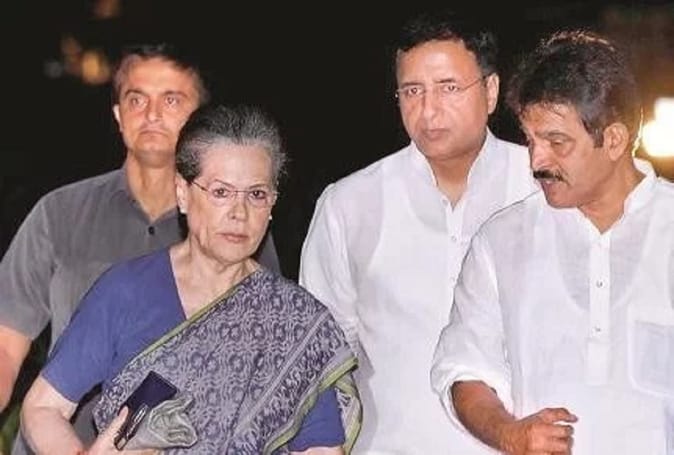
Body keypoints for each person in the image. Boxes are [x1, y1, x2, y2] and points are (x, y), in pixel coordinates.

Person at [21, 103, 361, 454]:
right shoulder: (126, 292)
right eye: (221, 192)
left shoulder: (295, 320)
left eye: (256, 195)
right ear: (183, 193)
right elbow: (44, 408)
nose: (239, 213)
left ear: (272, 203)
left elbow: (320, 450)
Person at [0, 43, 280, 453]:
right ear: (118, 114)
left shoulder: (235, 229)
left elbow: (263, 360)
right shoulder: (59, 213)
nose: (151, 114)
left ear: (200, 121)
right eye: (136, 99)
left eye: (171, 99)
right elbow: (5, 345)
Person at [299, 9, 538, 455]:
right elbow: (319, 356)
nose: (428, 110)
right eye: (412, 91)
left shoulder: (541, 188)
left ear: (490, 91)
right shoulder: (350, 204)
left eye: (448, 87)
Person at [430, 29, 674, 454]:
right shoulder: (501, 241)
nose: (537, 161)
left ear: (614, 140)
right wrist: (509, 433)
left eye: (557, 142)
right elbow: (463, 370)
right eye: (530, 140)